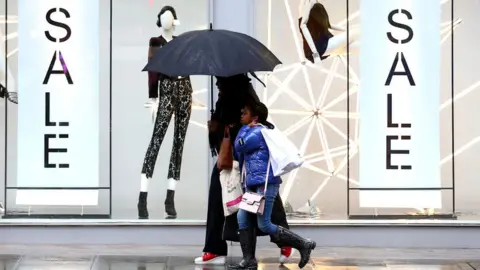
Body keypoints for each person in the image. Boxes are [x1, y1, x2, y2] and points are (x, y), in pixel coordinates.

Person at [195, 74, 293, 265]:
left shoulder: (243, 95)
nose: (217, 83)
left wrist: (228, 127)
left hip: (245, 158)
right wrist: (217, 127)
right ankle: (216, 248)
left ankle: (284, 241)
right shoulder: (225, 96)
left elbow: (256, 121)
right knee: (221, 198)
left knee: (262, 199)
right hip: (230, 157)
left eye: (220, 80)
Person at [230, 102, 316, 270]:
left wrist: (246, 128)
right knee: (242, 218)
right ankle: (249, 260)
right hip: (254, 186)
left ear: (254, 117)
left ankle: (304, 244)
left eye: (244, 112)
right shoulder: (254, 130)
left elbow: (239, 145)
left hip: (264, 185)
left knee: (264, 224)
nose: (241, 114)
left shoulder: (257, 132)